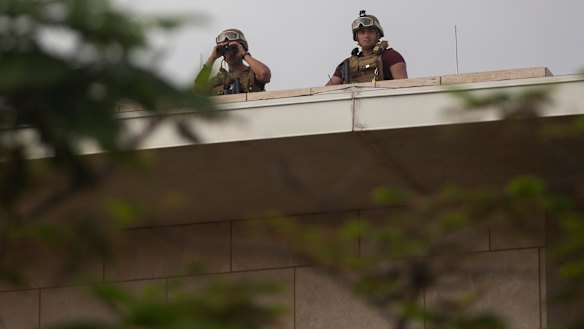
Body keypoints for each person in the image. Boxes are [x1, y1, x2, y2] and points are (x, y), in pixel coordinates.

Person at [326, 10, 407, 85]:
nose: (366, 36)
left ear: (378, 35)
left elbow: (404, 87)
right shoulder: (346, 65)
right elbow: (325, 92)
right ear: (356, 37)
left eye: (370, 32)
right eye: (362, 32)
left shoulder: (391, 56)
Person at [194, 29, 271, 95]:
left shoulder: (252, 74)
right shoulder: (219, 79)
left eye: (233, 48)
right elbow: (197, 90)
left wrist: (244, 54)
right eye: (225, 49)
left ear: (242, 48)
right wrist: (212, 58)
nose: (229, 52)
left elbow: (264, 74)